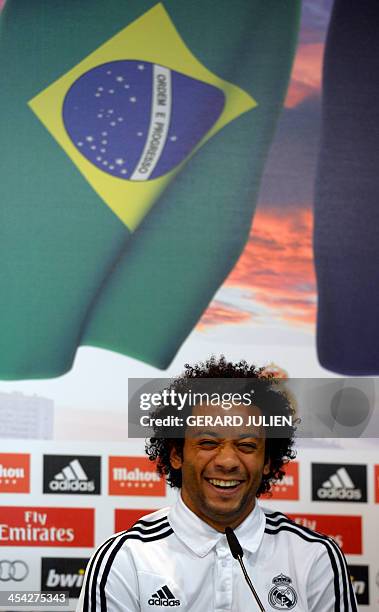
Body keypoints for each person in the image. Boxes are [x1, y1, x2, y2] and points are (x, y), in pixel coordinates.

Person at [77, 357, 357, 611]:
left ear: (268, 461)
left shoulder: (316, 556)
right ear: (176, 454)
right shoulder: (126, 558)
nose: (227, 461)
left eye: (246, 445)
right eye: (209, 443)